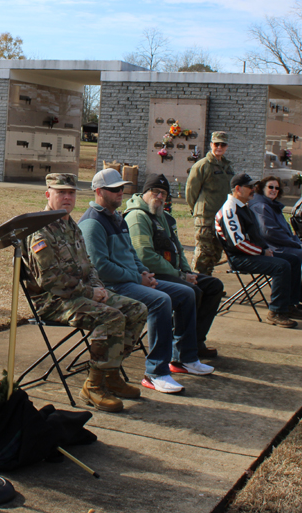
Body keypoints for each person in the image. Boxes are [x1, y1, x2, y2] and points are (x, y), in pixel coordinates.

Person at [80, 168, 213, 396]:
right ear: (99, 191)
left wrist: (144, 273)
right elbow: (100, 268)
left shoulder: (116, 217)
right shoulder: (93, 223)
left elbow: (132, 252)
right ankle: (156, 373)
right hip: (112, 285)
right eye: (114, 189)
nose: (120, 192)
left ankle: (185, 358)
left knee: (186, 293)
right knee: (161, 301)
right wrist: (137, 278)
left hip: (132, 280)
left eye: (121, 188)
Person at [26, 173, 149, 411]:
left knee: (137, 309)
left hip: (82, 294)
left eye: (71, 193)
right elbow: (51, 281)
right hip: (54, 301)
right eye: (61, 192)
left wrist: (96, 287)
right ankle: (93, 387)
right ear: (47, 194)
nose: (67, 197)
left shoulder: (71, 225)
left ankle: (110, 375)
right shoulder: (40, 231)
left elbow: (89, 265)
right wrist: (90, 293)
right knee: (111, 317)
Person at [124, 174, 224, 358]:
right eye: (156, 192)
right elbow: (145, 256)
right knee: (191, 291)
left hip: (174, 273)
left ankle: (195, 340)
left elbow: (177, 249)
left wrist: (187, 272)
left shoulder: (165, 217)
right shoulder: (137, 217)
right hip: (151, 276)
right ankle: (180, 351)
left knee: (213, 286)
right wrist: (180, 276)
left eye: (164, 194)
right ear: (145, 192)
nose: (160, 197)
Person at [215, 173, 299, 328]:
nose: (254, 189)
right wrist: (262, 252)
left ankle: (288, 305)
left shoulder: (243, 206)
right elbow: (238, 243)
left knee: (293, 259)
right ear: (238, 189)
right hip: (239, 258)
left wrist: (266, 249)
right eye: (250, 187)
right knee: (281, 266)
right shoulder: (230, 210)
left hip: (251, 253)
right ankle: (276, 312)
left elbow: (256, 236)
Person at [248, 177, 302, 318]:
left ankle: (296, 301)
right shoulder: (260, 206)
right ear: (262, 188)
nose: (274, 190)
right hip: (271, 248)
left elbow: (286, 230)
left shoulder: (271, 205)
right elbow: (269, 232)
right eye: (270, 187)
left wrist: (300, 244)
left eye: (277, 188)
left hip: (282, 244)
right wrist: (297, 245)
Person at [186, 131, 235, 276]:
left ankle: (208, 282)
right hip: (205, 217)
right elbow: (191, 191)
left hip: (221, 217)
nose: (219, 147)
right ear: (211, 145)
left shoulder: (227, 166)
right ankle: (198, 283)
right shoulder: (202, 166)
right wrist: (196, 210)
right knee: (204, 252)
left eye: (223, 144)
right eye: (216, 144)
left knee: (215, 251)